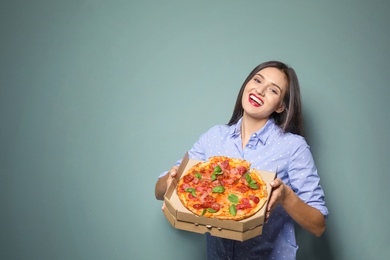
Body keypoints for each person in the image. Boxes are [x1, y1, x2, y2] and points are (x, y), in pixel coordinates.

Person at [155, 60, 328, 259]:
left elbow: (318, 226)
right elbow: (159, 191)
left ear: (281, 106)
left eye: (273, 90)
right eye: (257, 80)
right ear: (247, 84)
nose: (260, 91)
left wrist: (285, 196)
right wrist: (171, 179)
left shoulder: (293, 147)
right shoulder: (214, 137)